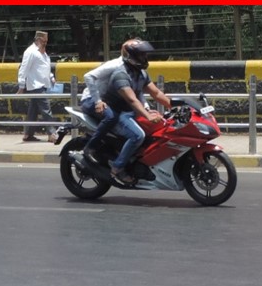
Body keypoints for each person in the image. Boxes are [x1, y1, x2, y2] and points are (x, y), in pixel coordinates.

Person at [78, 39, 172, 187]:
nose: (144, 58)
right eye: (141, 55)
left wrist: (172, 106)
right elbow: (131, 98)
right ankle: (103, 156)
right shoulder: (118, 69)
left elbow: (150, 92)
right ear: (131, 55)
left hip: (118, 104)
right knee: (117, 122)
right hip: (95, 100)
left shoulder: (139, 72)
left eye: (144, 55)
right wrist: (97, 101)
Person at [18, 30, 56, 142]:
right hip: (36, 85)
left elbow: (43, 66)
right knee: (46, 109)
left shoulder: (42, 52)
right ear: (38, 40)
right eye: (44, 41)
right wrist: (21, 85)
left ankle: (27, 134)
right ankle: (52, 133)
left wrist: (51, 77)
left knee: (33, 111)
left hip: (42, 84)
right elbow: (23, 69)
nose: (46, 43)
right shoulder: (31, 52)